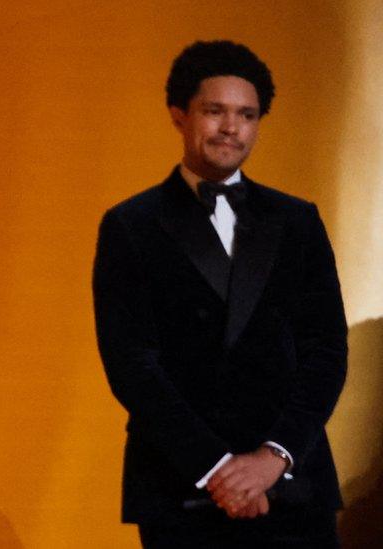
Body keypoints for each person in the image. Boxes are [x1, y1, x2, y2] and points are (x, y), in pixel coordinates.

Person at [92, 40, 347, 548]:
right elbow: (131, 363)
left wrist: (273, 457)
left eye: (246, 115)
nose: (231, 128)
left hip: (291, 480)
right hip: (180, 484)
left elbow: (327, 349)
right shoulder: (130, 225)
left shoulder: (297, 221)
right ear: (179, 115)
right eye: (215, 111)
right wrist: (218, 469)